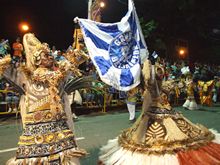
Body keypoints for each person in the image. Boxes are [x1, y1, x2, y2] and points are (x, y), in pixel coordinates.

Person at [99, 59, 220, 165]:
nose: (160, 72)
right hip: (155, 106)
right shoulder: (150, 78)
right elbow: (152, 83)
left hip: (159, 106)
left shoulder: (153, 78)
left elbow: (158, 87)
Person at [0, 33, 88, 164]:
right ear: (36, 60)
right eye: (45, 55)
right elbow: (5, 69)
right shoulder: (26, 77)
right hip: (35, 133)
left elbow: (75, 60)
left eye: (50, 54)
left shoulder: (59, 75)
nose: (50, 56)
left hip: (58, 129)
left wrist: (81, 42)